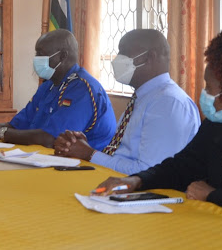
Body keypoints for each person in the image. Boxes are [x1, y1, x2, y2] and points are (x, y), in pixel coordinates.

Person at [93, 24, 222, 216]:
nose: (204, 94)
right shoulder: (216, 126)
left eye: (209, 87)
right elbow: (181, 166)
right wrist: (137, 180)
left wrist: (212, 195)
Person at [54, 29, 200, 173]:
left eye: (124, 52)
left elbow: (150, 172)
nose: (117, 59)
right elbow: (123, 153)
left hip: (143, 192)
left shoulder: (168, 103)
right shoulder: (144, 97)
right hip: (117, 181)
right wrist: (80, 146)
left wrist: (90, 154)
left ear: (150, 57)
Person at [0, 29, 116, 149]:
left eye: (41, 54)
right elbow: (17, 126)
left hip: (83, 169)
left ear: (63, 56)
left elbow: (50, 138)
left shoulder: (82, 89)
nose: (36, 59)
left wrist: (0, 132)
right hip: (42, 160)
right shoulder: (48, 86)